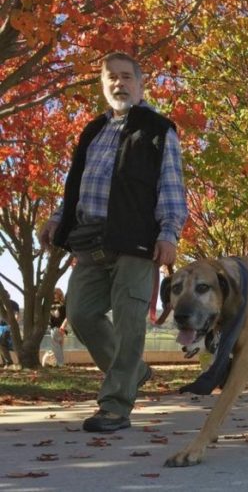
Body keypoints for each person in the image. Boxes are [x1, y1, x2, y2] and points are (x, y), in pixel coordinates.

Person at [38, 52, 187, 432]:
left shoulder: (158, 129)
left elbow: (171, 187)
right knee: (82, 313)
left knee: (129, 322)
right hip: (89, 241)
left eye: (126, 77)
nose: (118, 83)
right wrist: (58, 219)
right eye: (111, 78)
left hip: (136, 243)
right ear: (103, 85)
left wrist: (169, 233)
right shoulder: (92, 131)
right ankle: (133, 371)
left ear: (140, 84)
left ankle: (116, 405)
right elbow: (77, 186)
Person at [46, 288, 69, 367]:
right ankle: (61, 363)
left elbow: (56, 315)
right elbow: (67, 317)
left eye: (54, 293)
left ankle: (60, 364)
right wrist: (63, 327)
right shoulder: (64, 304)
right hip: (63, 328)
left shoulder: (53, 304)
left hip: (55, 328)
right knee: (60, 347)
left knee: (56, 347)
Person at [0, 300, 19, 367]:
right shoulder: (1, 303)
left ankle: (9, 363)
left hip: (7, 326)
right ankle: (6, 362)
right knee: (2, 345)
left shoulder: (13, 304)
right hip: (1, 327)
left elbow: (17, 314)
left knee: (3, 344)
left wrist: (12, 325)